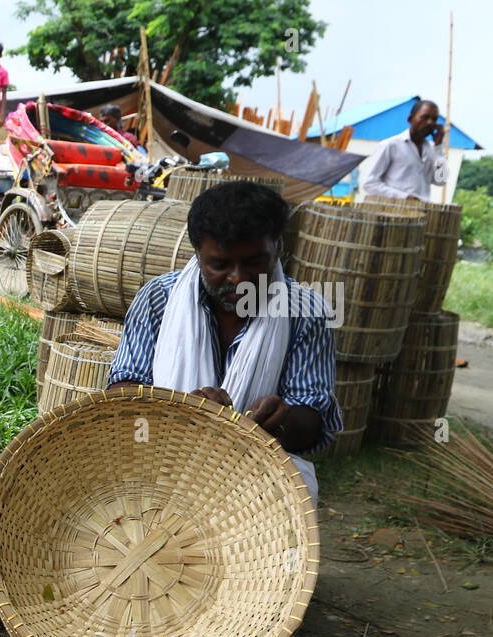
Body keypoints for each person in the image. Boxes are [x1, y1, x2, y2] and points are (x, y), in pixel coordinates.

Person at [106, 181, 341, 503]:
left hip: (256, 480)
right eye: (220, 265)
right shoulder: (158, 299)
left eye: (255, 262)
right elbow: (122, 393)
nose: (239, 278)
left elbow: (313, 422)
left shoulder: (307, 312)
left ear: (277, 248)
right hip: (158, 464)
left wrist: (281, 420)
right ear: (198, 255)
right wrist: (179, 412)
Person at [361, 99, 447, 200]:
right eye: (425, 117)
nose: (429, 123)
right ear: (410, 119)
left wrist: (438, 147)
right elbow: (369, 184)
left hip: (421, 212)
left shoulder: (433, 149)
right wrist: (405, 197)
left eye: (434, 119)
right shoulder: (390, 145)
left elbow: (441, 181)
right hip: (392, 210)